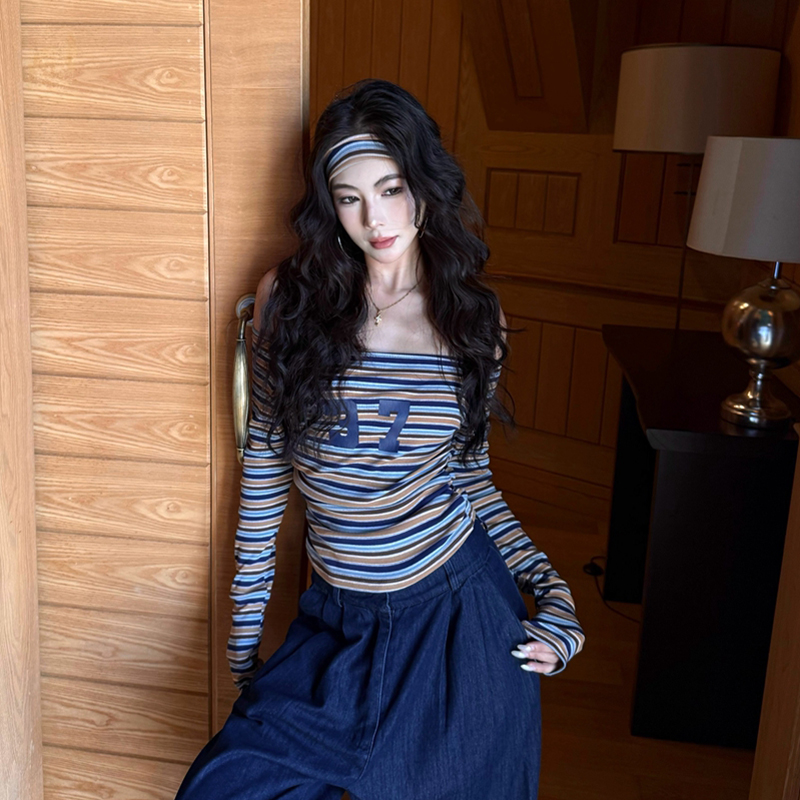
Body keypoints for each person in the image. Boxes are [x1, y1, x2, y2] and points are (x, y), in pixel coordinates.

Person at [174, 78, 585, 800]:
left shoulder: (472, 320)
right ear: (329, 205)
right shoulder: (288, 302)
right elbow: (264, 475)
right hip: (337, 623)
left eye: (391, 189)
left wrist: (555, 593)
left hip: (455, 620)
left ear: (423, 183)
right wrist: (244, 650)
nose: (375, 218)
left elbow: (471, 477)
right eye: (350, 197)